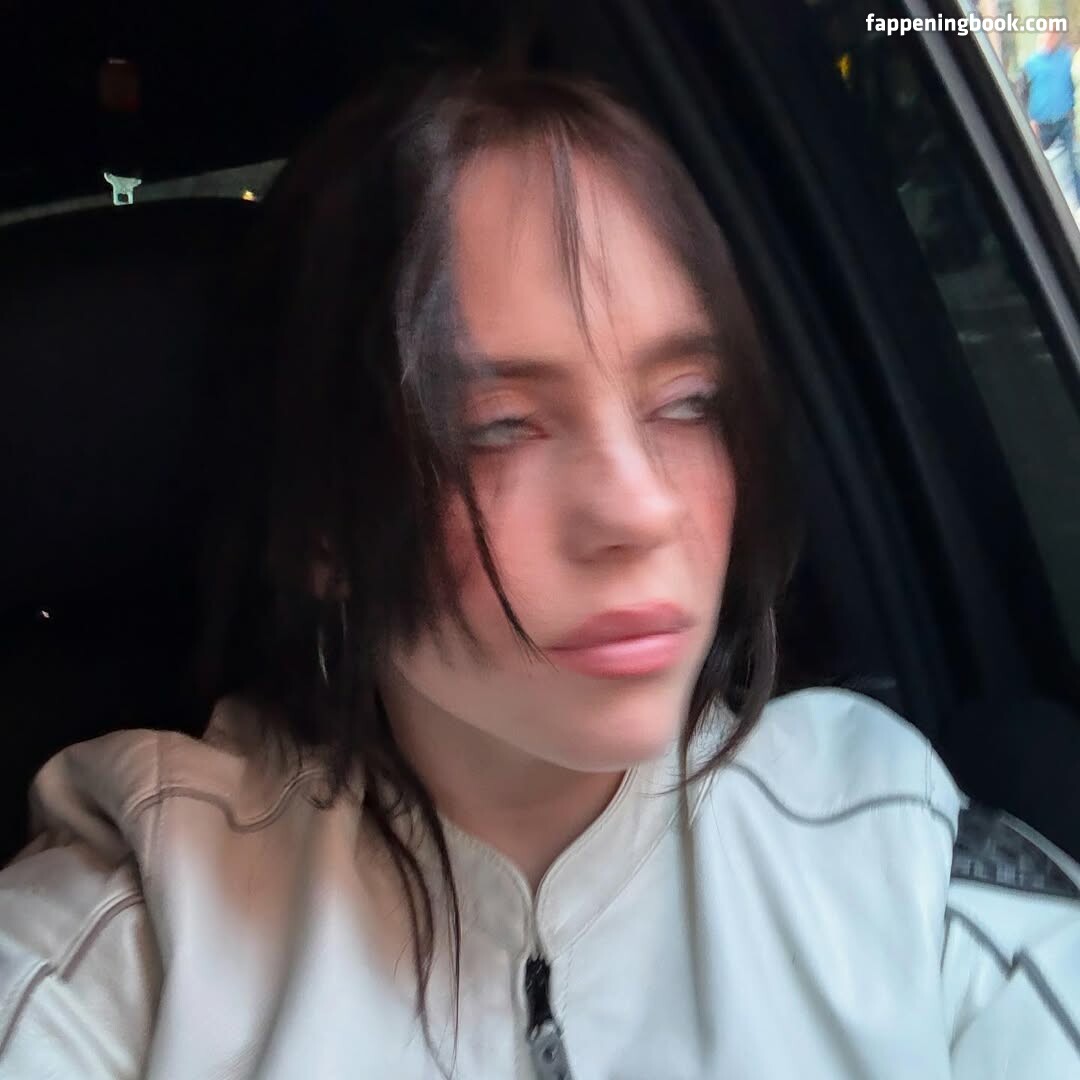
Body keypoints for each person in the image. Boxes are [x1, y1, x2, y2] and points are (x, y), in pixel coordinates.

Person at [0, 68, 1078, 1080]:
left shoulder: (894, 866)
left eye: (687, 404)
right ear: (322, 524)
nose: (642, 510)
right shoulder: (128, 960)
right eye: (500, 427)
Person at [1023, 29, 1080, 205]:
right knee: (1039, 165)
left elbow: (1072, 86)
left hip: (1064, 121)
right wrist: (1031, 120)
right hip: (1042, 124)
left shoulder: (1066, 59)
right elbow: (1023, 92)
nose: (1049, 40)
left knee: (1074, 164)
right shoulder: (1031, 63)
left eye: (1053, 36)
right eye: (1046, 36)